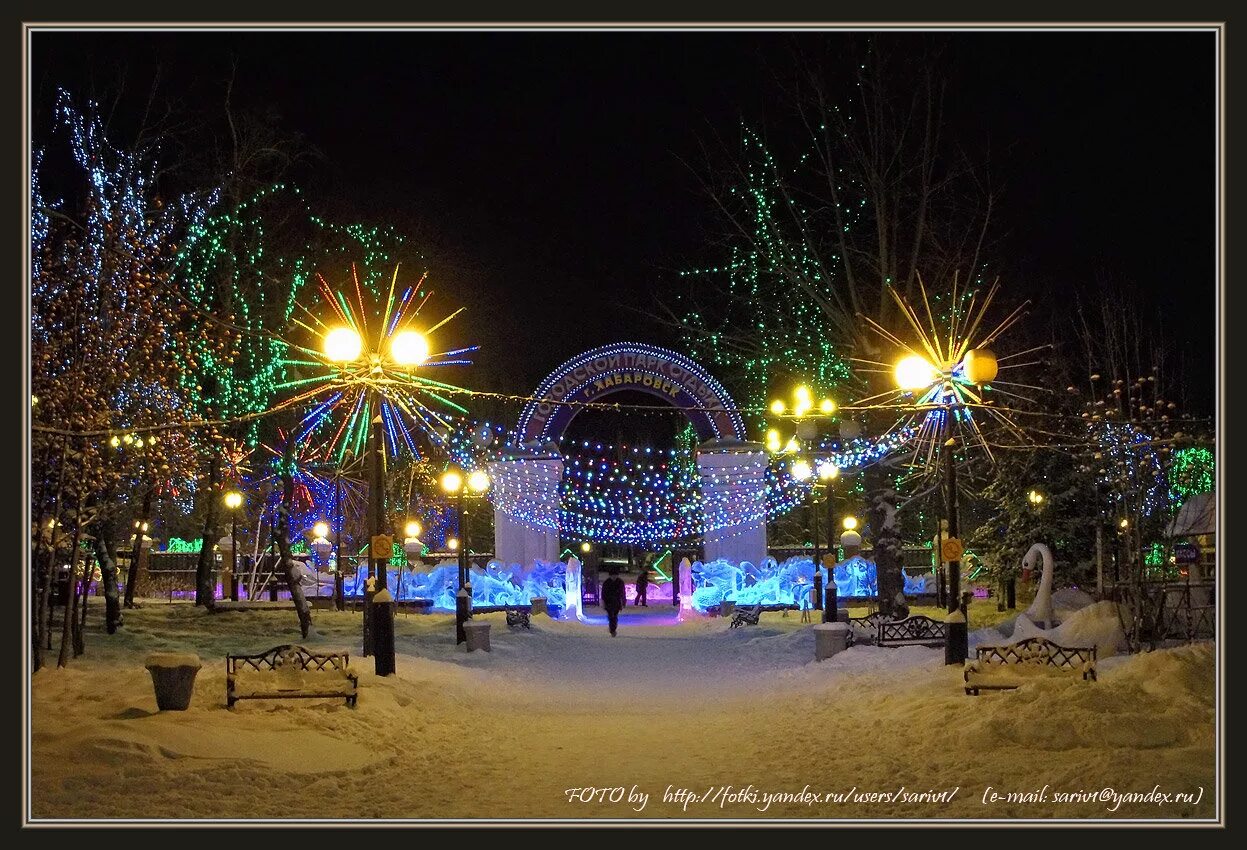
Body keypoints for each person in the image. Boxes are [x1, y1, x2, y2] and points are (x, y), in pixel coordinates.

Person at [602, 568, 626, 636]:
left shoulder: (620, 582)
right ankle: (612, 629)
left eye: (615, 575)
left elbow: (623, 593)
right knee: (611, 616)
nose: (614, 577)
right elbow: (603, 593)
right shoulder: (607, 582)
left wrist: (623, 602)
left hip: (617, 602)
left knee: (614, 616)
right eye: (613, 575)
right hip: (608, 602)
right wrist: (604, 602)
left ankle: (613, 629)